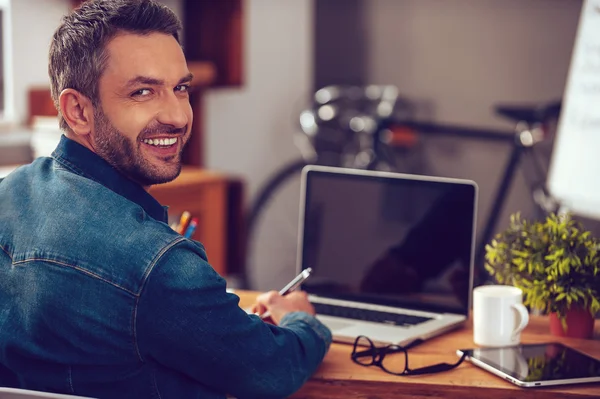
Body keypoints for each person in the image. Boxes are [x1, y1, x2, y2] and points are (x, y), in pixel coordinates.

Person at [0, 1, 331, 398]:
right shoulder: (156, 264)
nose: (177, 115)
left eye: (180, 88)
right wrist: (301, 322)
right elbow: (270, 371)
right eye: (143, 92)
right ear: (77, 110)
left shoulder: (7, 194)